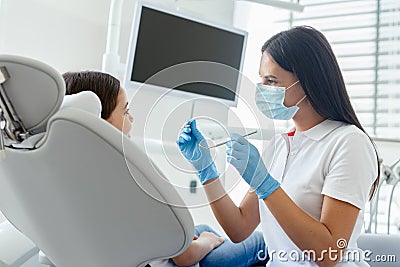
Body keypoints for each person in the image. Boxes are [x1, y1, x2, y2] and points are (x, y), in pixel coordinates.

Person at [177, 26, 380, 267]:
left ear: (308, 81)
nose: (261, 89)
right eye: (261, 79)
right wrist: (207, 171)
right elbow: (239, 228)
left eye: (271, 80)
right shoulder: (280, 145)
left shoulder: (348, 142)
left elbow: (329, 255)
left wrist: (266, 186)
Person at [62, 71, 269, 267]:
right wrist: (207, 243)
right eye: (125, 111)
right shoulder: (131, 179)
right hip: (177, 260)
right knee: (261, 242)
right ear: (100, 122)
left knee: (204, 230)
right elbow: (184, 257)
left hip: (146, 252)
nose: (131, 118)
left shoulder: (69, 175)